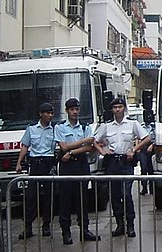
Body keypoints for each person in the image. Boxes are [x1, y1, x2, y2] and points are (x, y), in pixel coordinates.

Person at [94, 97, 150, 238]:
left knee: (126, 194)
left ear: (124, 108)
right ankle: (120, 224)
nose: (117, 109)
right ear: (112, 110)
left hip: (126, 163)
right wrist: (102, 151)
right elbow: (93, 140)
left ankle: (130, 224)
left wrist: (134, 149)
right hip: (112, 162)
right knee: (114, 195)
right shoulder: (107, 126)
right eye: (115, 107)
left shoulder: (132, 124)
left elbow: (147, 138)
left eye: (120, 107)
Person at [54, 98, 99, 244]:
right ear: (67, 111)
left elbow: (89, 147)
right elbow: (64, 147)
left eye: (77, 109)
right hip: (67, 166)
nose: (75, 112)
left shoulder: (85, 127)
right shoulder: (60, 127)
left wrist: (73, 152)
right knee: (65, 199)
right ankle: (66, 232)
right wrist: (82, 142)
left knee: (82, 198)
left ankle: (84, 230)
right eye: (72, 109)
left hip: (80, 163)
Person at [15, 102, 57, 239]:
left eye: (51, 113)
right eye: (47, 113)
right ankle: (28, 226)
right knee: (31, 196)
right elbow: (25, 146)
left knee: (49, 196)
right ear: (40, 114)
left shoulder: (55, 129)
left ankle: (46, 224)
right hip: (35, 163)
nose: (49, 116)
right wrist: (19, 163)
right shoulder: (31, 129)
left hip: (48, 163)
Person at [138, 109, 155, 195]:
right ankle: (144, 188)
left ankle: (152, 188)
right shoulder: (141, 126)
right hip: (143, 148)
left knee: (151, 169)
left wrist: (153, 145)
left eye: (149, 115)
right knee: (143, 169)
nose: (147, 117)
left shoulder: (155, 126)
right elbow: (138, 137)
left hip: (153, 148)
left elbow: (157, 137)